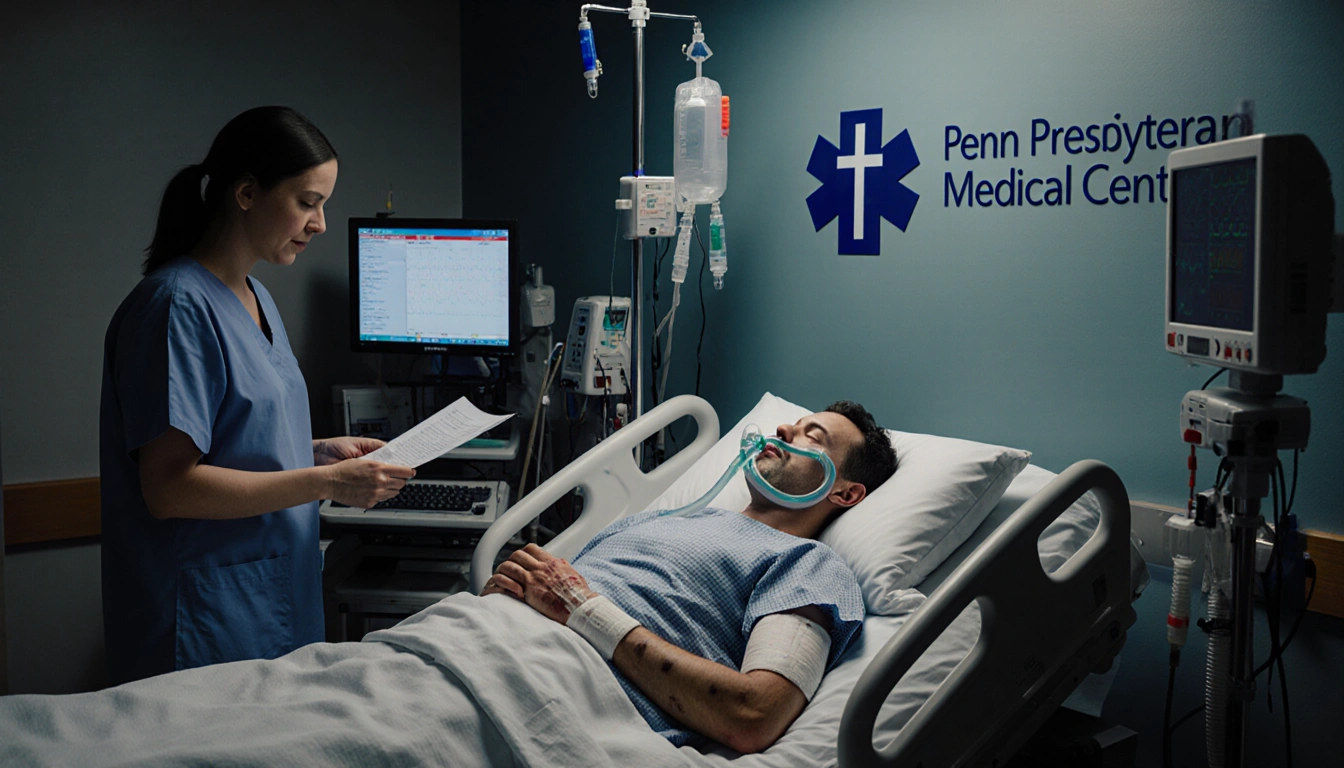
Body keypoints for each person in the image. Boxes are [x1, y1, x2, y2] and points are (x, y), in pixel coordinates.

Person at [99, 106, 414, 685]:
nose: (320, 223)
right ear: (246, 192)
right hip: (206, 617)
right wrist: (327, 484)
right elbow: (169, 487)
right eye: (307, 201)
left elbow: (235, 439)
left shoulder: (257, 299)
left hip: (271, 600)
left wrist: (316, 452)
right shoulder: (176, 306)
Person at [483, 400, 899, 754]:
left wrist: (585, 612)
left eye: (814, 435)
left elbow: (755, 715)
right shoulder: (664, 519)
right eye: (794, 422)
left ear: (844, 493)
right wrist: (506, 595)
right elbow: (561, 596)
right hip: (479, 642)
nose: (784, 429)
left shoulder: (806, 563)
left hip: (544, 691)